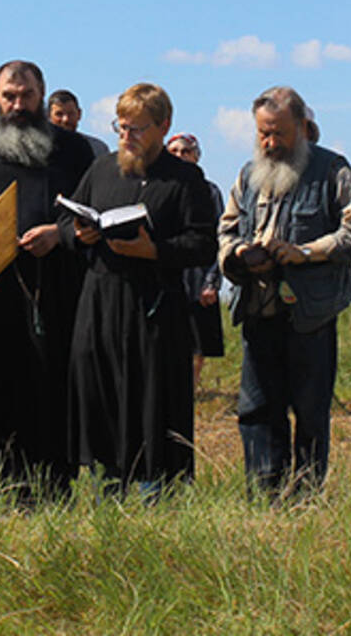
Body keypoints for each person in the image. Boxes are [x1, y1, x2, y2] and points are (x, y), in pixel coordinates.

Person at [59, 82, 216, 492]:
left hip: (154, 311)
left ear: (164, 126)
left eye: (137, 129)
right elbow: (65, 224)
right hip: (99, 304)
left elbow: (203, 243)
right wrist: (79, 233)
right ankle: (105, 492)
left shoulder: (185, 179)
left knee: (152, 405)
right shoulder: (102, 169)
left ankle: (154, 496)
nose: (126, 136)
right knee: (100, 399)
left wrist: (155, 251)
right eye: (121, 127)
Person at [0, 61, 95, 500]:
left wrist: (58, 234)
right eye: (8, 97)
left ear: (42, 95)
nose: (17, 105)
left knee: (58, 386)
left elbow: (91, 214)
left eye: (26, 95)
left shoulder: (76, 151)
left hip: (61, 288)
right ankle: (12, 488)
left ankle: (59, 488)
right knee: (3, 387)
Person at [219, 86, 351, 498]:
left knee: (310, 409)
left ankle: (304, 495)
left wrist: (304, 253)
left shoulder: (333, 170)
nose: (270, 143)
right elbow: (227, 228)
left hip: (311, 313)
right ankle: (263, 493)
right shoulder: (248, 174)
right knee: (255, 408)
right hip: (258, 307)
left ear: (302, 128)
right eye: (263, 134)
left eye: (279, 134)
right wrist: (239, 256)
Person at [165, 132, 225, 392]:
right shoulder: (160, 187)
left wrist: (213, 281)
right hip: (168, 275)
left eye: (185, 151)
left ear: (196, 157)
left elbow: (221, 237)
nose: (180, 156)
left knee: (198, 342)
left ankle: (190, 390)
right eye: (174, 152)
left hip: (200, 275)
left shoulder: (210, 191)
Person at [47, 88, 109, 159]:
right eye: (59, 114)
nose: (65, 119)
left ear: (79, 114)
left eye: (71, 113)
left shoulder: (97, 149)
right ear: (48, 116)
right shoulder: (39, 149)